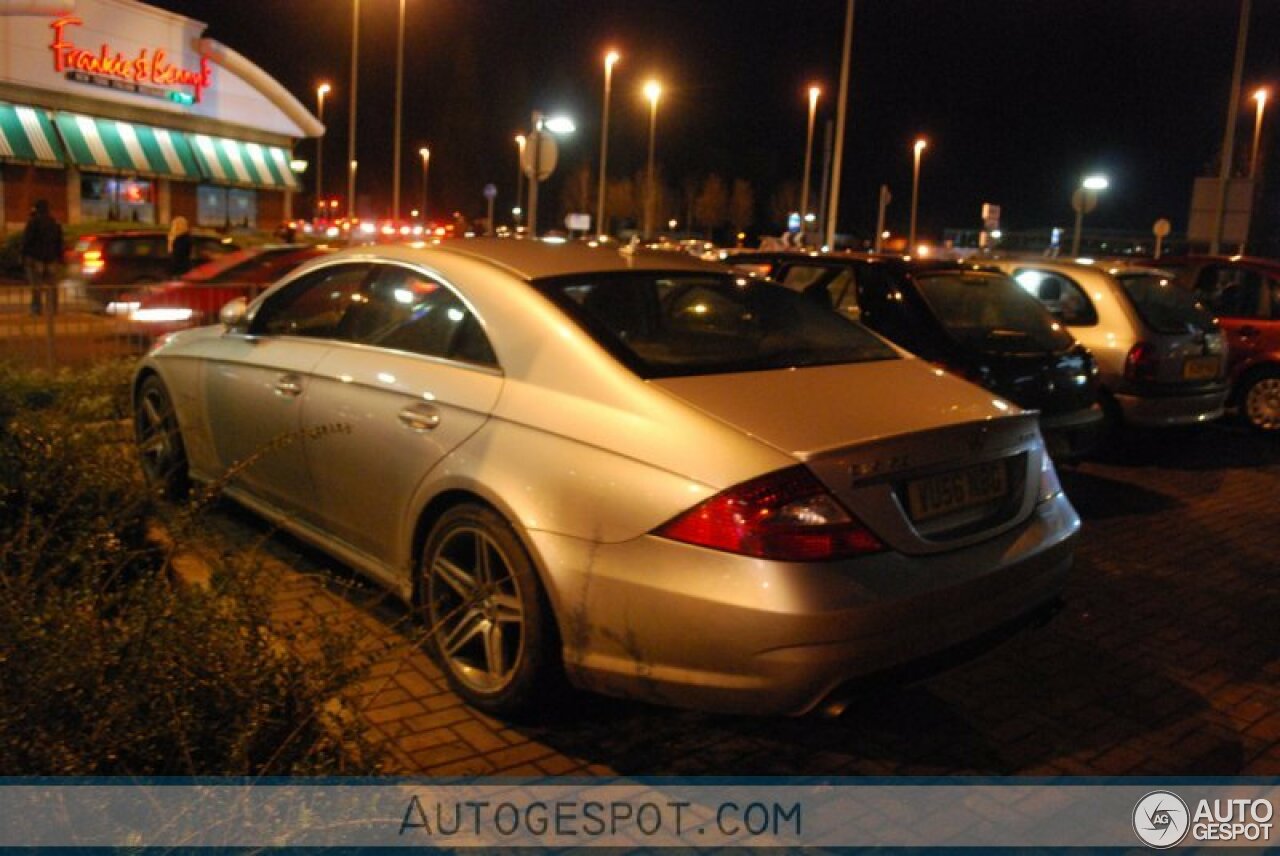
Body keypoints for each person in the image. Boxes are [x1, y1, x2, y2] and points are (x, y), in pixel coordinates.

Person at [21, 199, 63, 316]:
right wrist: (59, 258)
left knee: (36, 286)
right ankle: (52, 310)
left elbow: (27, 241)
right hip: (51, 259)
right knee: (52, 286)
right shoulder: (54, 223)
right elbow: (59, 243)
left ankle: (36, 309)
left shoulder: (33, 222)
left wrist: (23, 255)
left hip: (35, 258)